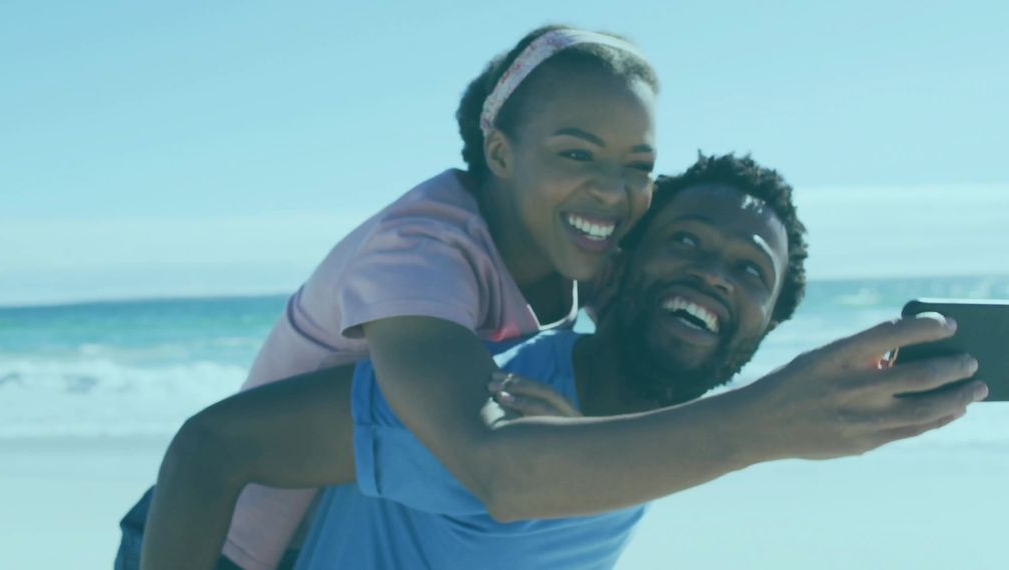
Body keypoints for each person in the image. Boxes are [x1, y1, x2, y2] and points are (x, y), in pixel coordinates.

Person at [140, 155, 987, 569]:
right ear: (612, 272)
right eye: (686, 241)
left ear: (756, 336)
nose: (711, 272)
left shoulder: (668, 444)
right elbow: (210, 449)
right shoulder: (484, 384)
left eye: (748, 274)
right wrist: (767, 422)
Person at [116, 24, 661, 570]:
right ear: (499, 153)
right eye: (576, 154)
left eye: (638, 165)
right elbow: (489, 459)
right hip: (215, 538)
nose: (613, 189)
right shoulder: (422, 253)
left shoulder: (572, 253)